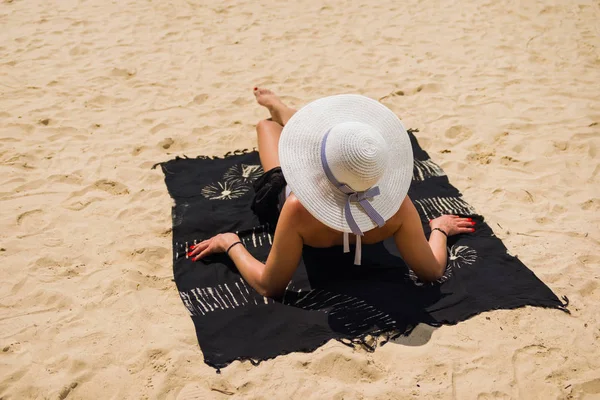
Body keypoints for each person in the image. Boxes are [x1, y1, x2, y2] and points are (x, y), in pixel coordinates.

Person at [188, 88, 476, 297]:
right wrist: (438, 230)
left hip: (298, 197)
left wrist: (231, 244)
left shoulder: (298, 206)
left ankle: (282, 113)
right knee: (321, 142)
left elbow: (269, 286)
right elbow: (432, 272)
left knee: (267, 128)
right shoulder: (397, 206)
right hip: (358, 202)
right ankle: (284, 110)